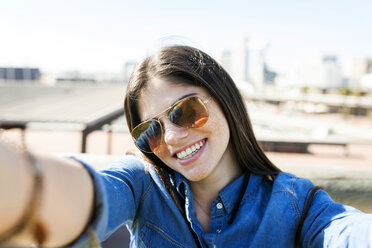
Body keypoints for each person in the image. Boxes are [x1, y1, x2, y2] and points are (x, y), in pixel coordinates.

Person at [0, 45, 371, 248]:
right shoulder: (142, 186)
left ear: (225, 100)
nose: (174, 138)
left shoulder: (298, 203)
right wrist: (21, 184)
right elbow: (94, 197)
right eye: (151, 130)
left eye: (186, 111)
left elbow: (347, 233)